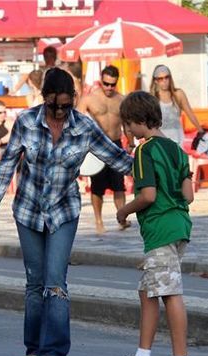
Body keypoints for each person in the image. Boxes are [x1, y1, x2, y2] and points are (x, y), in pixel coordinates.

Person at [0, 68, 133, 356]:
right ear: (43, 98)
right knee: (34, 283)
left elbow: (117, 158)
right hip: (28, 211)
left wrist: (157, 168)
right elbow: (7, 164)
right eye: (54, 105)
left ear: (73, 101)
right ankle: (33, 348)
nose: (60, 112)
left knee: (55, 282)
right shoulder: (26, 122)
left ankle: (54, 352)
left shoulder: (85, 127)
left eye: (66, 105)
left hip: (64, 211)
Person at [111, 91, 197, 356]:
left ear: (137, 121)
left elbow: (148, 195)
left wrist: (124, 210)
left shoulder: (144, 152)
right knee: (148, 291)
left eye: (127, 125)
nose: (126, 131)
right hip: (179, 226)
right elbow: (189, 195)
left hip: (160, 228)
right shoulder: (176, 149)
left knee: (170, 292)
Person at [77, 65, 135, 234]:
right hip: (97, 146)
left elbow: (127, 124)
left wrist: (130, 143)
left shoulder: (121, 100)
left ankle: (122, 218)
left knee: (119, 185)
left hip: (116, 144)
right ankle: (99, 221)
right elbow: (78, 123)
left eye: (112, 84)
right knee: (97, 186)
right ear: (100, 81)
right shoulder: (89, 99)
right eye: (106, 83)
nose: (109, 88)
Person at [150, 64, 204, 147]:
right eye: (160, 79)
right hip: (160, 141)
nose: (164, 81)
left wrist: (201, 131)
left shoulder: (178, 94)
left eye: (166, 77)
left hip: (177, 140)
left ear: (170, 78)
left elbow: (190, 113)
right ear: (155, 81)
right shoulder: (153, 98)